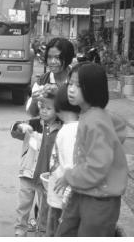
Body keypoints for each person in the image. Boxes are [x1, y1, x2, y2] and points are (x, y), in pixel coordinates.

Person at [54, 62, 128, 237]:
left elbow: (97, 166)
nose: (71, 89)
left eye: (78, 85)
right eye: (70, 83)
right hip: (85, 191)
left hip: (100, 199)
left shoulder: (96, 122)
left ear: (93, 89)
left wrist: (69, 177)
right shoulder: (91, 115)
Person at [11, 85, 62, 237]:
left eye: (49, 108)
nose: (44, 111)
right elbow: (14, 130)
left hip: (46, 177)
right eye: (42, 107)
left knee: (45, 209)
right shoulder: (33, 124)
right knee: (23, 206)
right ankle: (20, 231)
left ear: (58, 111)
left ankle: (42, 233)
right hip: (28, 173)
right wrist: (21, 126)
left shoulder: (61, 129)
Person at [45, 85, 80, 237]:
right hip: (63, 195)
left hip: (62, 198)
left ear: (58, 107)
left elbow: (70, 166)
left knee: (56, 231)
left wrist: (66, 196)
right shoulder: (74, 127)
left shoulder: (68, 131)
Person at [26, 37, 75, 117]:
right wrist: (34, 101)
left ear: (68, 58)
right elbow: (32, 113)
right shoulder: (42, 81)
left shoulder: (78, 78)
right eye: (49, 57)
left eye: (57, 58)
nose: (52, 62)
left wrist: (58, 94)